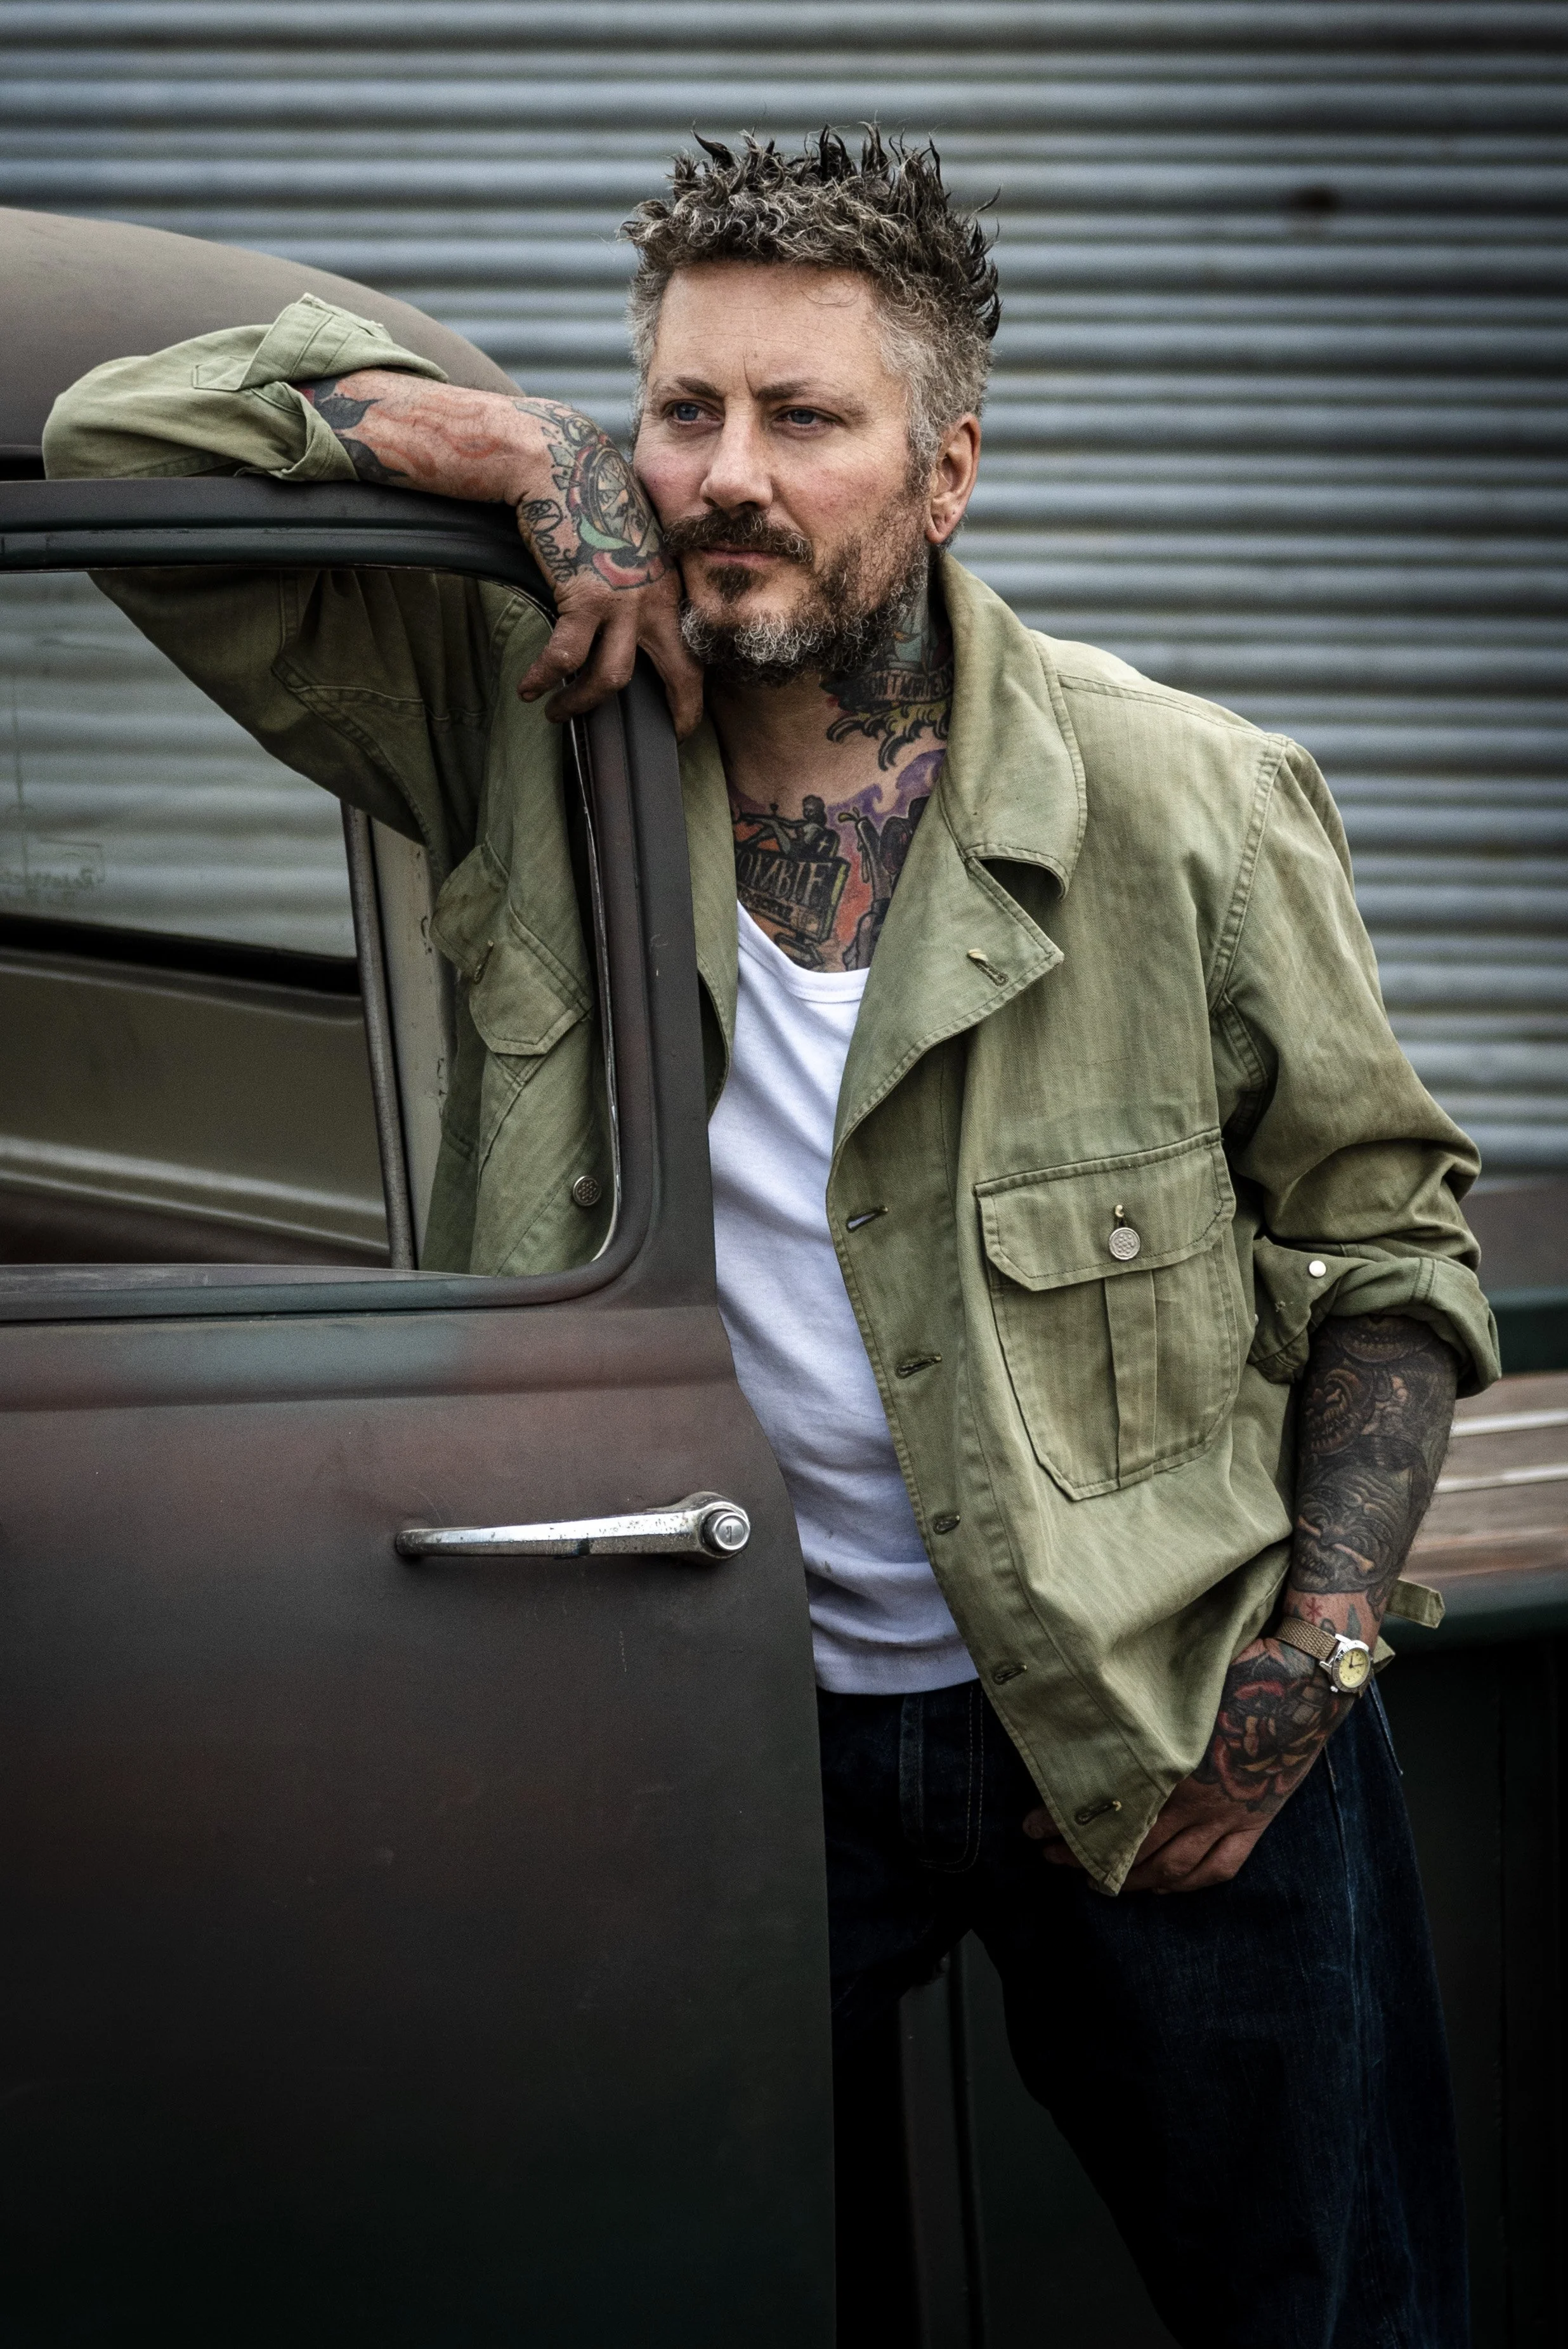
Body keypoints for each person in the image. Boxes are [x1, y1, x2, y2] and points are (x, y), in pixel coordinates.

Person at [47, 129, 1497, 2348]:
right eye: (683, 410)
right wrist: (520, 445)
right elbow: (107, 441)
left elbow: (1386, 1248)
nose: (726, 476)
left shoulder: (1191, 801)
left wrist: (1317, 1662)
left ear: (947, 471)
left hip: (1156, 1702)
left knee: (1333, 2310)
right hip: (727, 1721)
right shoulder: (525, 723)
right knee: (645, 2275)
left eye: (805, 418)